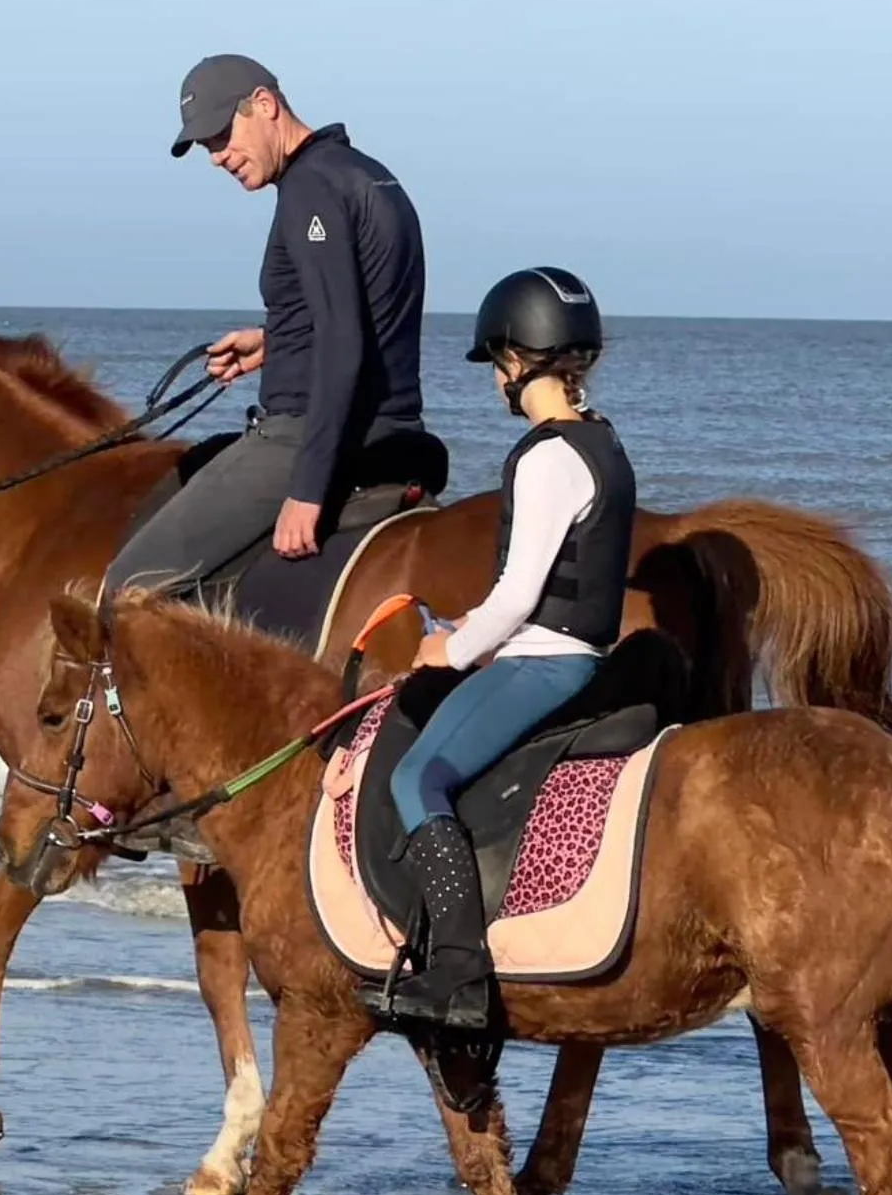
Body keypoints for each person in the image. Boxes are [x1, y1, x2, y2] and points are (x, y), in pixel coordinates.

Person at [366, 267, 637, 1033]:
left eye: (496, 363)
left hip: (545, 661)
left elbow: (520, 596)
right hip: (565, 649)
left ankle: (458, 976)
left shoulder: (547, 454)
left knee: (420, 778)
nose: (495, 379)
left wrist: (450, 650)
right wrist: (471, 629)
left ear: (521, 359)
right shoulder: (602, 439)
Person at [105, 55, 438, 592]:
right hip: (397, 424)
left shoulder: (311, 187)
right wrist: (277, 343)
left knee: (127, 583)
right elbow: (366, 309)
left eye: (221, 136)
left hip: (306, 434)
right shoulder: (368, 175)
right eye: (207, 147)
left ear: (265, 105)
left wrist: (307, 491)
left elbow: (342, 341)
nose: (217, 158)